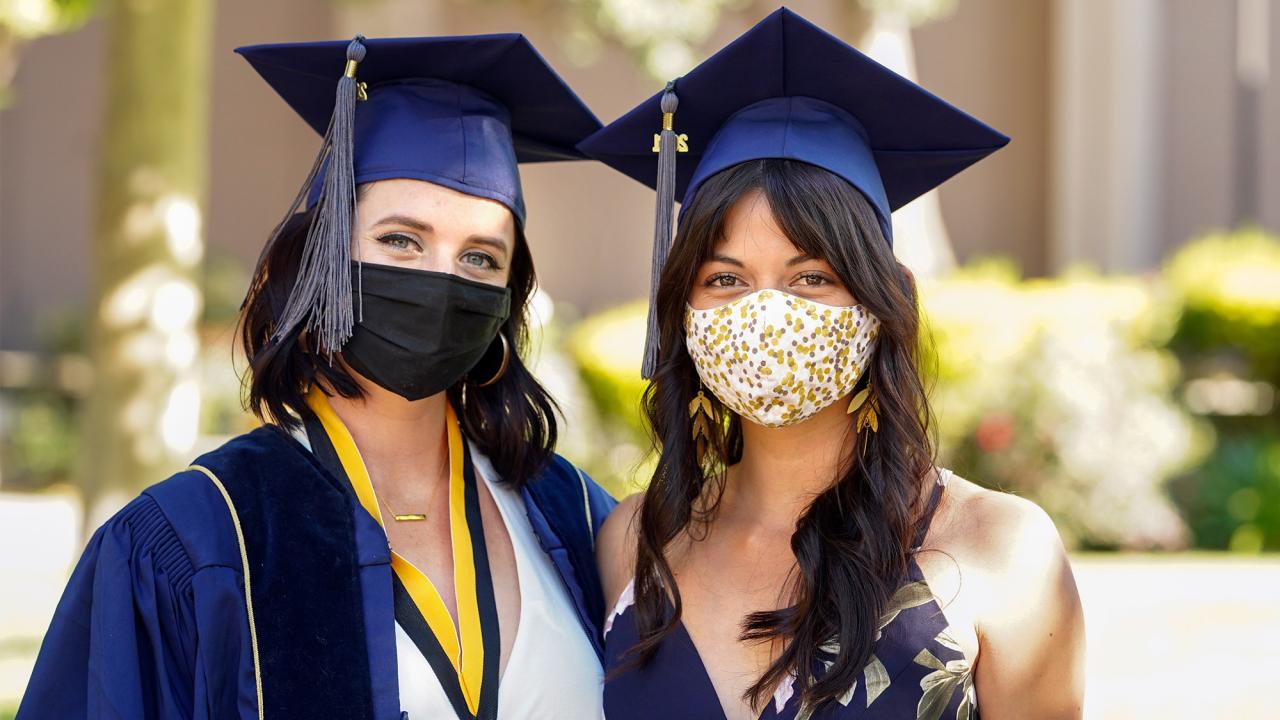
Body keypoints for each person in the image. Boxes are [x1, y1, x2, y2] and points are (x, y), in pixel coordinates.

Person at [19, 33, 614, 720]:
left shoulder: (569, 515)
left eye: (481, 258)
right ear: (321, 258)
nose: (443, 282)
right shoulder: (200, 536)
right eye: (400, 240)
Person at [581, 8, 1085, 720]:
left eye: (811, 277)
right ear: (682, 311)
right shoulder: (634, 544)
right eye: (725, 279)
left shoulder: (999, 548)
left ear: (884, 300)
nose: (767, 313)